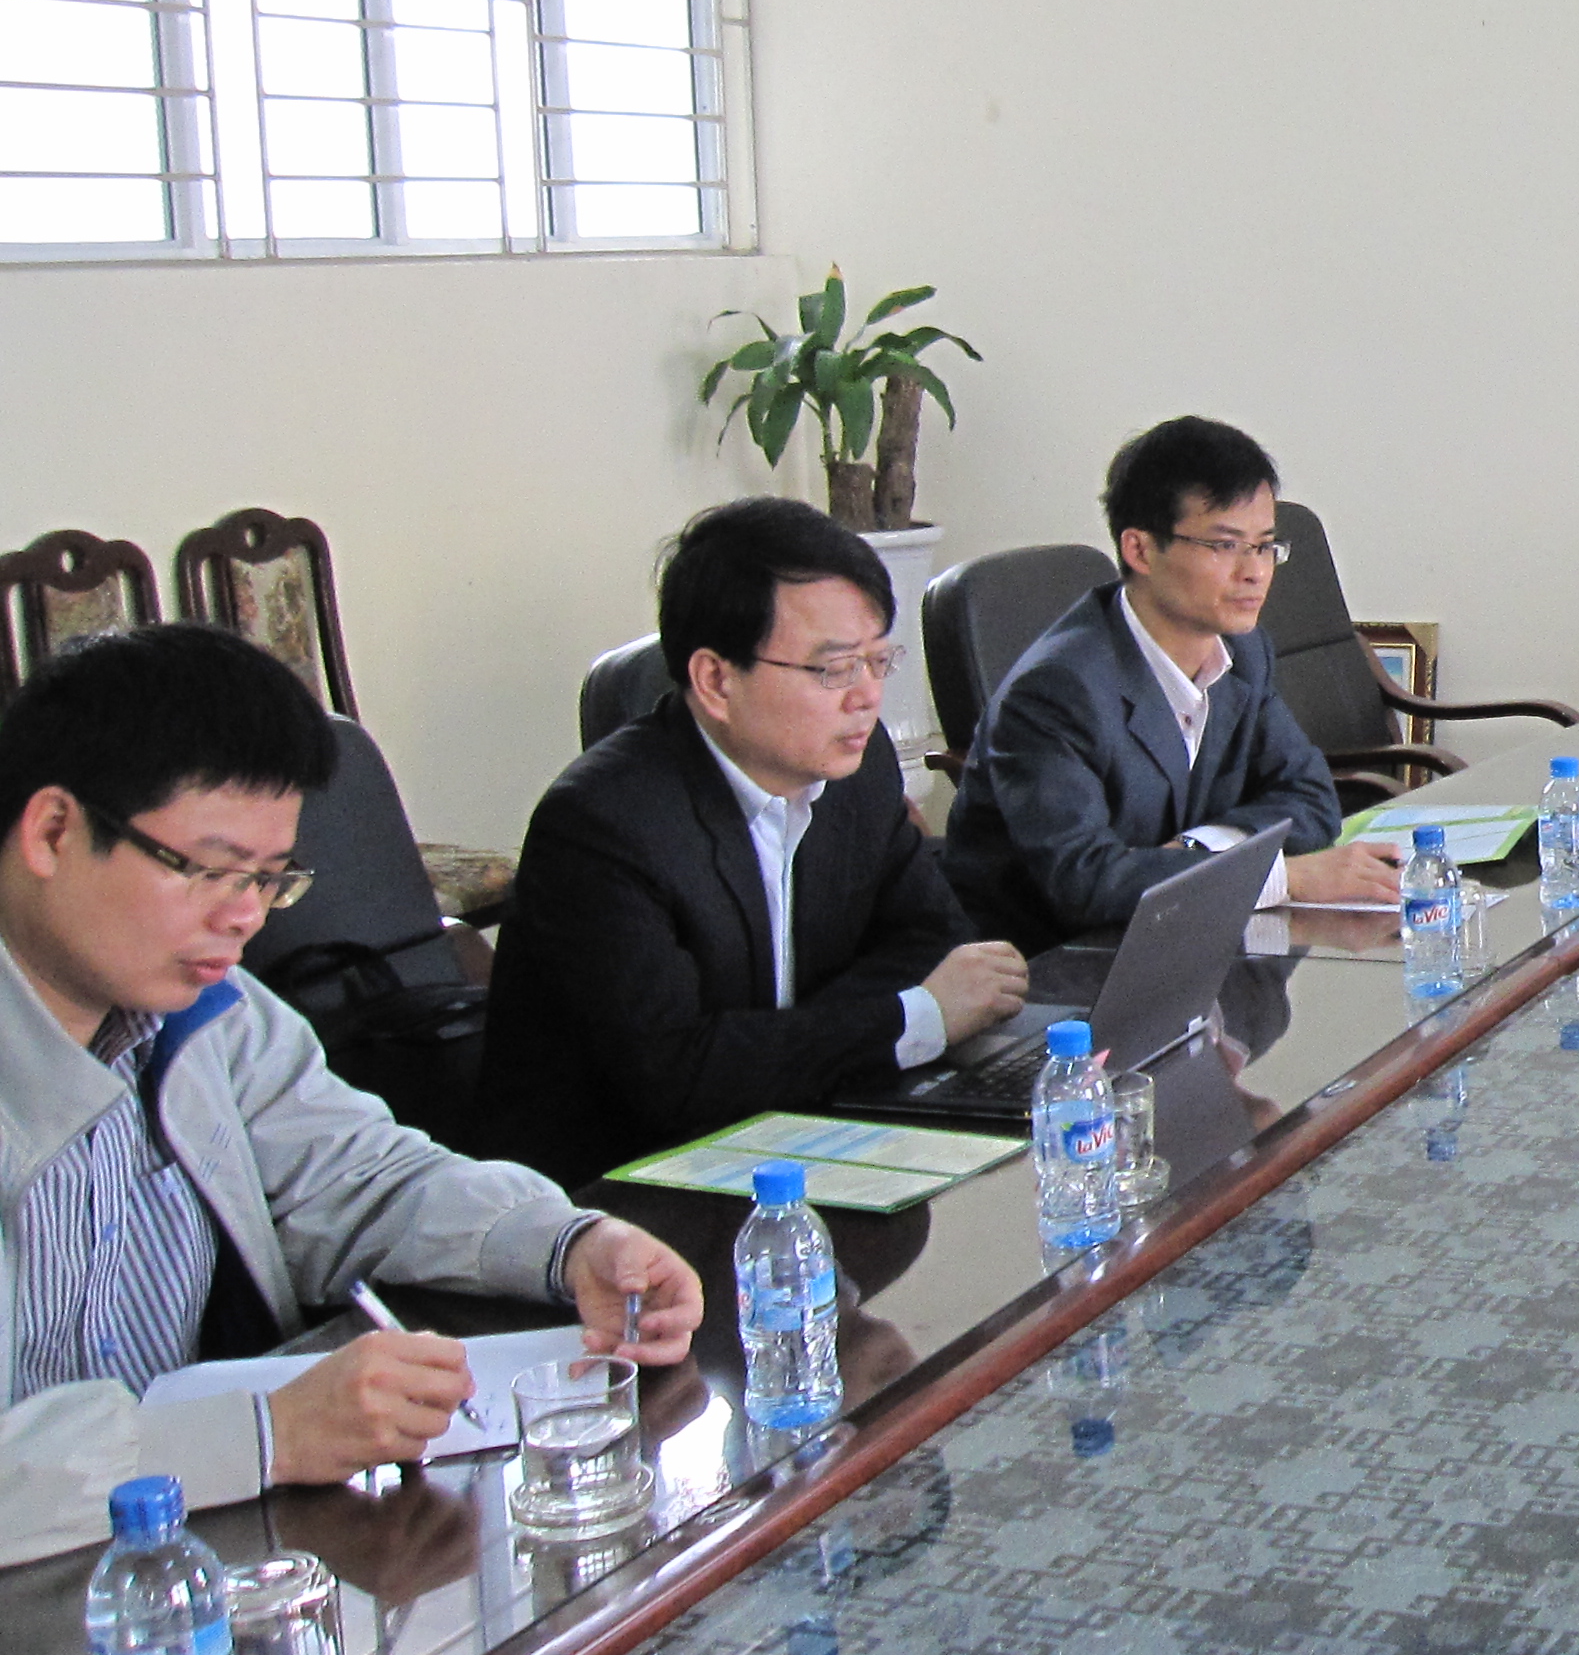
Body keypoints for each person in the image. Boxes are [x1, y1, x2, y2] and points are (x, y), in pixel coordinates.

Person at [0, 627, 703, 1569]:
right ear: (53, 831)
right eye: (208, 870)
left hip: (194, 1562)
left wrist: (569, 1243)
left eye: (267, 881)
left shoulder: (204, 1013)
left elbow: (361, 1179)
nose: (243, 918)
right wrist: (266, 1432)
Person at [479, 499, 1033, 1190]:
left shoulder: (857, 770)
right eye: (835, 669)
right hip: (623, 1193)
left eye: (876, 661)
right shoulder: (600, 828)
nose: (867, 697)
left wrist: (778, 1044)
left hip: (801, 1135)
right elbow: (675, 1078)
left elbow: (930, 937)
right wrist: (909, 1017)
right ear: (716, 681)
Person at [943, 418, 1403, 950]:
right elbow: (1085, 882)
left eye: (1265, 546)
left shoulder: (1243, 653)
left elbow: (1311, 798)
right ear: (1140, 550)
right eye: (1226, 545)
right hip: (1051, 968)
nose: (1255, 572)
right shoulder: (1057, 690)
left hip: (1183, 947)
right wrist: (1281, 876)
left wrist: (1198, 850)